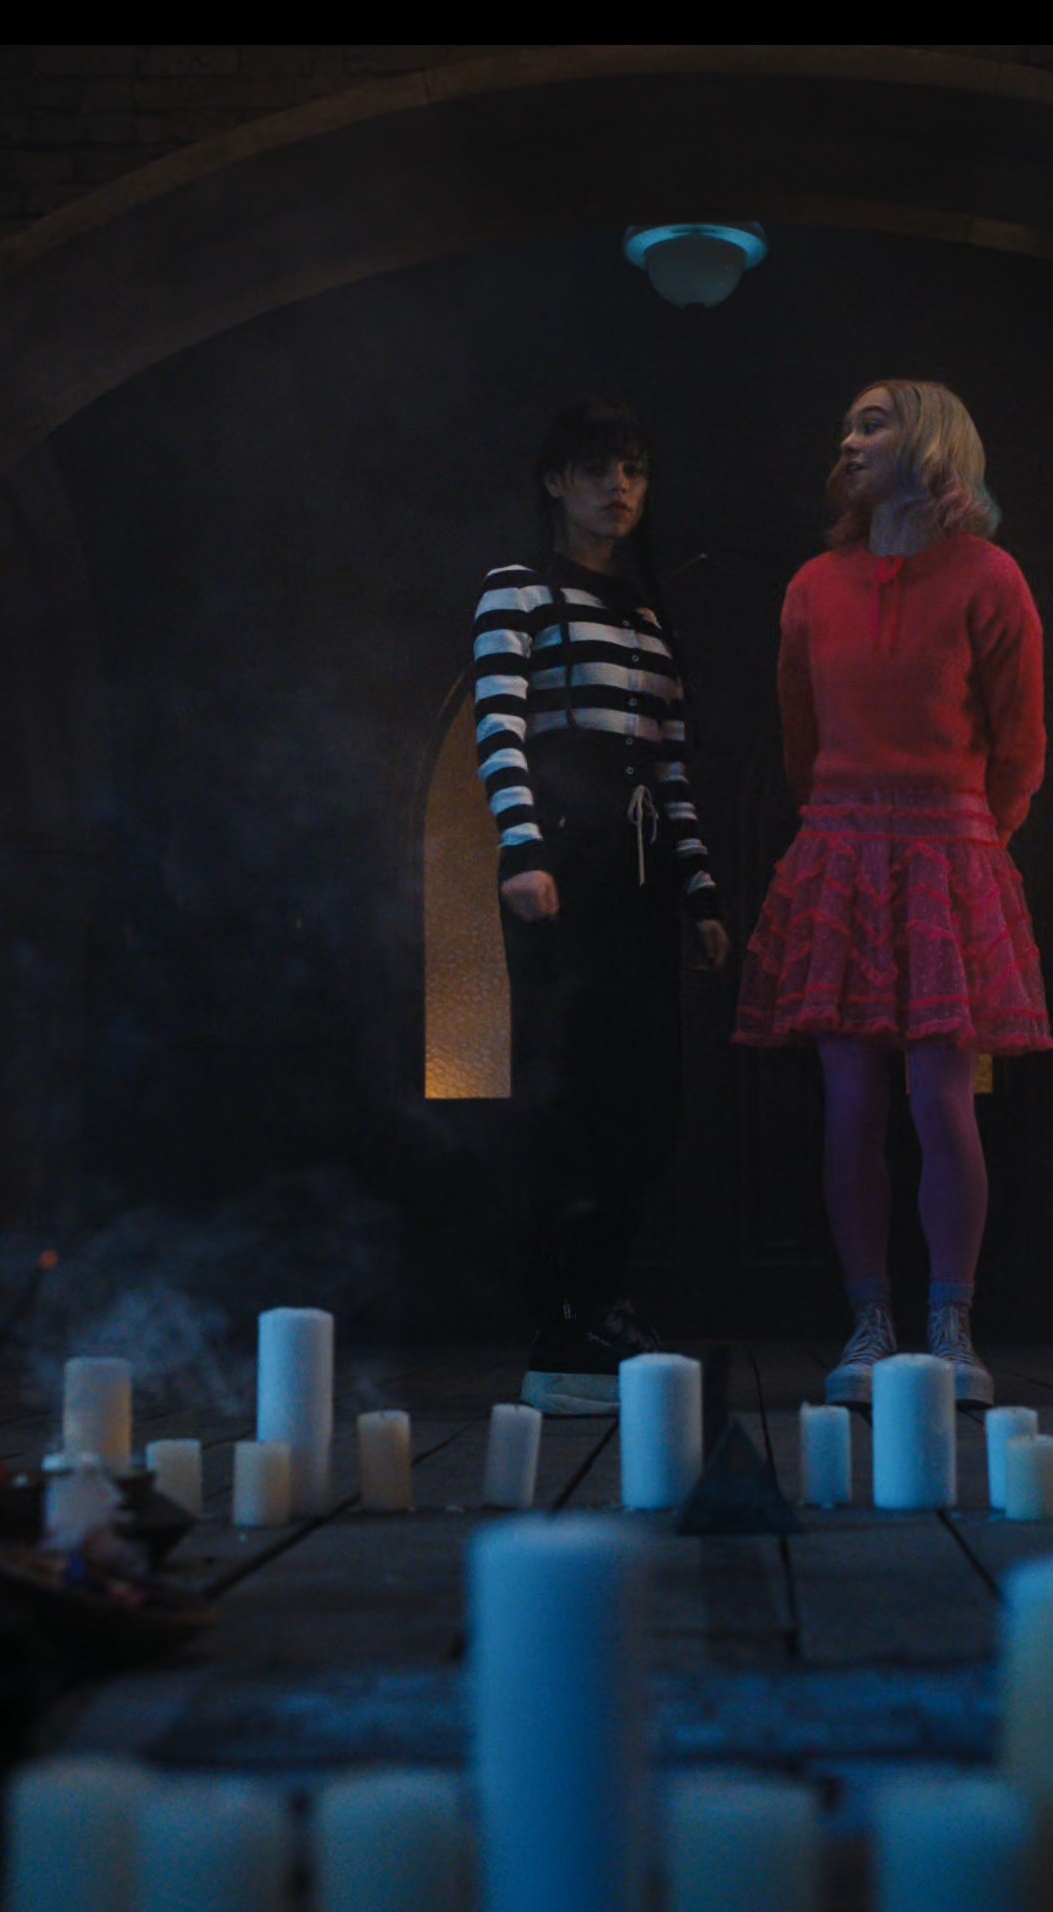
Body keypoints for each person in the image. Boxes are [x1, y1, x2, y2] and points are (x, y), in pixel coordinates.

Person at [734, 379, 1051, 1408]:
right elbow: (799, 735)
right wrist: (842, 831)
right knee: (851, 1100)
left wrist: (974, 842)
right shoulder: (813, 585)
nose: (849, 439)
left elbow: (1022, 739)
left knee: (939, 1095)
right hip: (841, 845)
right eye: (848, 425)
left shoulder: (990, 577)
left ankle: (952, 1325)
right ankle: (868, 1321)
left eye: (873, 423)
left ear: (929, 444)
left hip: (947, 847)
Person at [476, 399, 732, 1412]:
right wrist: (523, 848)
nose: (617, 489)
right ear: (555, 482)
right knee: (567, 1097)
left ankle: (602, 1303)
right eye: (596, 470)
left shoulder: (645, 616)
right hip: (562, 870)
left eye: (632, 470)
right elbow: (499, 723)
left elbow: (668, 768)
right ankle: (559, 1328)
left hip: (637, 879)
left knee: (642, 1100)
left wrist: (699, 889)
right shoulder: (517, 589)